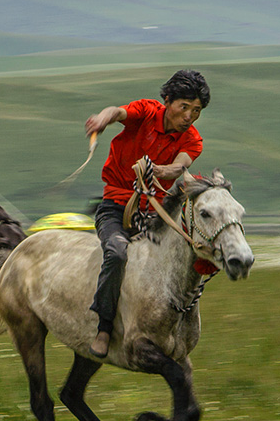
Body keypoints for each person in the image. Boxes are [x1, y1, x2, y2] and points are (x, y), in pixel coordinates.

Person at [83, 69, 211, 358]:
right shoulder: (147, 111)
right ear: (167, 101)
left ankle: (175, 324)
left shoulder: (193, 139)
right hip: (115, 207)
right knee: (117, 253)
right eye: (184, 107)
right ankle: (104, 327)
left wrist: (159, 170)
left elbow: (180, 166)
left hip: (154, 214)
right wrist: (102, 118)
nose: (189, 116)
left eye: (196, 110)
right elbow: (118, 112)